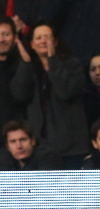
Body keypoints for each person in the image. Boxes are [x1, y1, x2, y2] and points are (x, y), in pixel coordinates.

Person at [10, 23, 90, 169]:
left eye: (46, 37)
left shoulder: (72, 64)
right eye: (38, 38)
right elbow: (20, 95)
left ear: (55, 41)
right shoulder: (30, 68)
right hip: (40, 150)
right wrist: (26, 64)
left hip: (71, 149)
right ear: (32, 44)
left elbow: (66, 92)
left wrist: (53, 61)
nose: (42, 41)